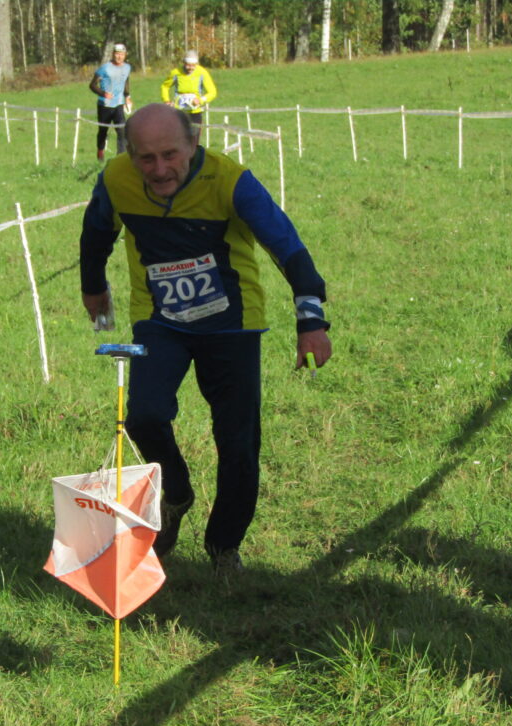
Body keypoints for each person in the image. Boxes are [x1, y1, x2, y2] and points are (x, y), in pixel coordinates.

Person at [79, 103, 331, 574]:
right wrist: (93, 288)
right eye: (146, 159)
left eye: (170, 155)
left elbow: (288, 247)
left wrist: (311, 321)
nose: (159, 169)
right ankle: (175, 492)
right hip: (160, 320)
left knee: (237, 443)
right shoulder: (116, 178)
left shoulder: (231, 180)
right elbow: (95, 233)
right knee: (145, 416)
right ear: (130, 154)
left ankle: (223, 547)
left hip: (231, 324)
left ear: (194, 143)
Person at [89, 43, 133, 161]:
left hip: (118, 104)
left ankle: (121, 157)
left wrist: (127, 96)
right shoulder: (105, 68)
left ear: (125, 55)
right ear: (113, 54)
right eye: (117, 54)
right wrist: (103, 93)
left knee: (122, 130)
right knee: (103, 130)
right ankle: (100, 151)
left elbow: (126, 82)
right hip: (105, 105)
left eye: (122, 54)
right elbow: (92, 85)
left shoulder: (127, 67)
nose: (119, 57)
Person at [159, 50, 217, 127]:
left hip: (195, 111)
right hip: (179, 111)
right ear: (184, 63)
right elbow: (165, 86)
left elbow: (212, 92)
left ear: (196, 64)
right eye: (188, 65)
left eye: (193, 65)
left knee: (194, 136)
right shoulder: (176, 72)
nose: (190, 68)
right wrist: (166, 101)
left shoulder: (202, 73)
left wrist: (200, 100)